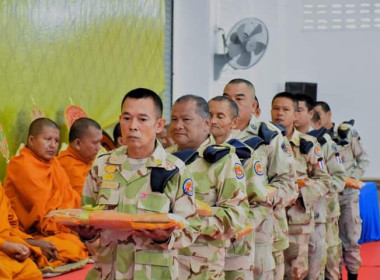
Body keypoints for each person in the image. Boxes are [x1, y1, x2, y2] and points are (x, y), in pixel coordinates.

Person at [79, 88, 201, 280]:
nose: (133, 126)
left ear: (159, 125)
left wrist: (166, 237)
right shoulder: (102, 165)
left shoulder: (174, 170)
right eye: (127, 118)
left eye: (142, 119)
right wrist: (87, 234)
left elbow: (192, 227)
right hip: (107, 272)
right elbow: (85, 213)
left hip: (154, 274)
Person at [168, 95, 248, 279]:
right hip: (161, 264)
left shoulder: (223, 161)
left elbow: (235, 216)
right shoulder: (162, 159)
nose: (178, 125)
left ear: (206, 123)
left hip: (200, 267)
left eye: (186, 119)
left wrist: (189, 223)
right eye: (174, 119)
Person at [223, 79, 297, 280]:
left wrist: (262, 200)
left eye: (239, 98)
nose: (231, 103)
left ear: (254, 105)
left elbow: (288, 184)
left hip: (259, 231)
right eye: (227, 98)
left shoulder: (267, 135)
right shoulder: (214, 133)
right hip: (219, 231)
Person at [3, 118, 88, 269]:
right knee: (70, 247)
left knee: (74, 245)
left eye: (56, 141)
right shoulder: (22, 166)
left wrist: (77, 226)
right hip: (28, 233)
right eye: (47, 139)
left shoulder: (54, 164)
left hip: (53, 229)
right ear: (31, 140)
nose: (53, 145)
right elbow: (41, 214)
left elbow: (69, 198)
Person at [209, 96, 271, 280]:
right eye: (210, 115)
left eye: (220, 116)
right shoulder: (192, 154)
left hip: (235, 251)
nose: (213, 121)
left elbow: (261, 204)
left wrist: (237, 229)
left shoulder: (245, 155)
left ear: (233, 122)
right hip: (199, 251)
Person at [271, 92, 330, 280]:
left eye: (285, 109)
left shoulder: (308, 144)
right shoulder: (264, 144)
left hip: (297, 221)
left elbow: (324, 180)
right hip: (269, 221)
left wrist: (299, 192)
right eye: (276, 108)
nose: (279, 113)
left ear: (296, 115)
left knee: (296, 272)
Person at [314, 101, 369, 280]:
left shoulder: (346, 134)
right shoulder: (313, 139)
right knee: (331, 244)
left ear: (329, 115)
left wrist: (348, 179)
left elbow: (363, 160)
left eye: (318, 115)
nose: (314, 119)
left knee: (351, 240)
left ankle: (353, 275)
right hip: (327, 199)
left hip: (347, 196)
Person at [294, 94, 345, 279]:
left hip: (321, 215)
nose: (294, 115)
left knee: (326, 264)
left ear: (310, 114)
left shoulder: (324, 143)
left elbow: (338, 178)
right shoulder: (281, 143)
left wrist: (308, 190)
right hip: (292, 220)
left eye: (299, 110)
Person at [0, 181, 43, 280]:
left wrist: (25, 241)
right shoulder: (23, 166)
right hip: (3, 245)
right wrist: (4, 245)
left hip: (5, 245)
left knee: (30, 271)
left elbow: (11, 224)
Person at [58, 117, 103, 196]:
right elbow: (85, 200)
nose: (99, 147)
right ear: (78, 143)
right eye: (95, 142)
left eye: (100, 142)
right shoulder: (68, 165)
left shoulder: (88, 160)